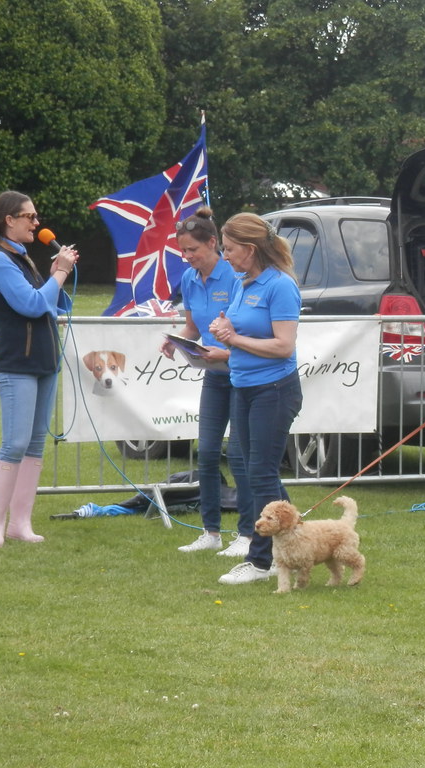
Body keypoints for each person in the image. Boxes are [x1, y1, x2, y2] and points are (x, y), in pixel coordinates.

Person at [0, 190, 78, 547]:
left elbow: (53, 305)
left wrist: (55, 275)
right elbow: (32, 305)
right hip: (17, 362)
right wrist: (60, 274)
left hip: (44, 361)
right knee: (16, 442)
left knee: (35, 443)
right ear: (9, 220)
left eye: (36, 217)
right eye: (30, 217)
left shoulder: (23, 259)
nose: (37, 223)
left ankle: (20, 523)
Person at [210, 213, 303, 585]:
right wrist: (223, 332)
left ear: (250, 249)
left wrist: (233, 339)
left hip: (275, 390)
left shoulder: (280, 286)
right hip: (243, 385)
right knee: (250, 470)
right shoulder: (240, 282)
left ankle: (260, 561)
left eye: (229, 249)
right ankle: (296, 541)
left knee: (262, 473)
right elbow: (235, 329)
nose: (225, 255)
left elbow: (284, 346)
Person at [162, 207, 257, 556]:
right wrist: (176, 339)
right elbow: (194, 326)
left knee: (238, 454)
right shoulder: (189, 279)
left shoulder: (234, 276)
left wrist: (225, 352)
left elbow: (247, 332)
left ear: (214, 244)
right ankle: (211, 531)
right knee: (206, 452)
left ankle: (247, 534)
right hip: (213, 376)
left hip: (241, 374)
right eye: (183, 251)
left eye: (193, 251)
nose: (187, 258)